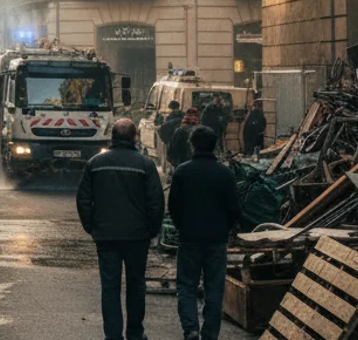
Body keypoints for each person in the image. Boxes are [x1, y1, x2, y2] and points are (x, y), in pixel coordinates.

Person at [76, 118, 165, 340]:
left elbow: (83, 199)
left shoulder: (96, 164)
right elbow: (156, 203)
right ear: (135, 137)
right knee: (136, 285)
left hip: (106, 236)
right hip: (137, 237)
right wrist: (151, 231)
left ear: (112, 137)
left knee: (110, 287)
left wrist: (92, 227)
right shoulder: (145, 165)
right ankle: (135, 333)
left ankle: (113, 335)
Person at [169, 126, 241, 340]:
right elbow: (234, 209)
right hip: (216, 239)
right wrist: (225, 229)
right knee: (214, 288)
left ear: (192, 145)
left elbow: (173, 207)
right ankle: (210, 334)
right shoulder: (225, 174)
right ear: (215, 146)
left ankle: (191, 329)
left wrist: (183, 226)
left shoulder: (182, 171)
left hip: (189, 238)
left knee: (187, 286)